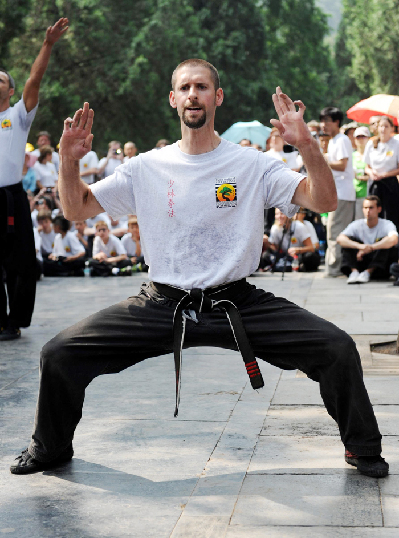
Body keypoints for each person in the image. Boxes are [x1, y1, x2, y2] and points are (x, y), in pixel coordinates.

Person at [11, 59, 389, 480]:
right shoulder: (146, 167)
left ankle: (362, 448)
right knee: (59, 354)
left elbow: (324, 202)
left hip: (237, 303)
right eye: (186, 88)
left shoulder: (251, 164)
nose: (194, 94)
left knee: (336, 348)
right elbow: (76, 208)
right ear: (174, 99)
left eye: (203, 87)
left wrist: (306, 145)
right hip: (162, 303)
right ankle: (51, 447)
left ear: (217, 97)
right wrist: (67, 158)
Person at [0, 17, 68, 341]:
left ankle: (15, 321)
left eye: (0, 79)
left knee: (21, 264)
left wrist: (48, 44)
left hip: (11, 196)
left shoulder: (17, 115)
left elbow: (35, 78)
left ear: (10, 90)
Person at [320, 106, 356, 277]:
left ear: (336, 122)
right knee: (335, 231)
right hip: (337, 193)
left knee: (335, 232)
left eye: (326, 121)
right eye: (322, 121)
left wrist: (323, 160)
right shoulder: (334, 141)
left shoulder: (341, 140)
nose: (323, 125)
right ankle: (339, 268)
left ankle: (334, 269)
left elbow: (342, 165)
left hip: (342, 194)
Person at [337, 195, 398, 283]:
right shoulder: (357, 224)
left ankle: (368, 272)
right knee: (348, 240)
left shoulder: (387, 224)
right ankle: (354, 272)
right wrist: (360, 247)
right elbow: (340, 239)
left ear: (379, 209)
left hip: (380, 268)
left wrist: (371, 248)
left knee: (385, 241)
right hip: (361, 261)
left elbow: (394, 239)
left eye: (371, 208)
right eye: (365, 208)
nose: (368, 211)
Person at [364, 116, 399, 231]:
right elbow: (366, 167)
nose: (383, 129)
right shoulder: (371, 143)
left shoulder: (396, 144)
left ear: (392, 128)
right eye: (381, 126)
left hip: (390, 184)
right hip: (374, 183)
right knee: (373, 214)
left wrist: (384, 174)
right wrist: (371, 173)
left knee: (390, 214)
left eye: (386, 126)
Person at [352, 127, 371, 219]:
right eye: (358, 137)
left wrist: (359, 177)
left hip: (367, 195)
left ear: (368, 138)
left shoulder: (372, 156)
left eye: (363, 136)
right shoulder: (351, 156)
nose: (360, 139)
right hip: (352, 195)